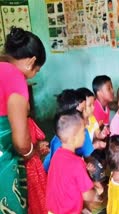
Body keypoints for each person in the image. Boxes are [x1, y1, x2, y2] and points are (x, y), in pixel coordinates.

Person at [0, 27, 46, 213]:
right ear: (31, 62)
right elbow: (21, 143)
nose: (32, 76)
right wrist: (32, 153)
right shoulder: (14, 77)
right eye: (36, 71)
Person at [46, 111, 103, 213]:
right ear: (74, 138)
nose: (85, 135)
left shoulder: (56, 156)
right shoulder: (77, 163)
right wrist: (96, 193)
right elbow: (86, 195)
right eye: (83, 132)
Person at [43, 89, 96, 172]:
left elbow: (89, 159)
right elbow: (57, 172)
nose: (85, 113)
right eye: (82, 110)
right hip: (51, 172)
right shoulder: (58, 143)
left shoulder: (83, 132)